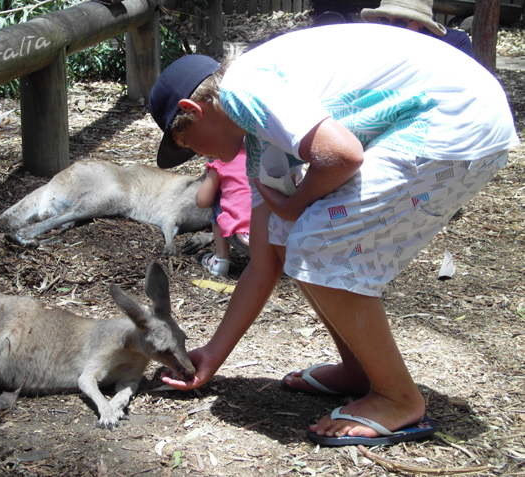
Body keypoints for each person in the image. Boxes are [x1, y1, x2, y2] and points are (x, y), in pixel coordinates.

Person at [148, 23, 518, 446]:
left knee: (317, 240)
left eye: (186, 142)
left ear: (193, 110)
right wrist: (211, 356)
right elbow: (267, 260)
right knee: (295, 237)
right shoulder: (257, 140)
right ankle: (359, 367)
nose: (197, 155)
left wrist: (295, 202)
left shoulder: (240, 89)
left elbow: (342, 155)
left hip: (455, 118)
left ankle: (397, 397)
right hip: (449, 115)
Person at [196, 147, 251, 277]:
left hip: (241, 239)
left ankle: (221, 259)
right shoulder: (267, 156)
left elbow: (202, 201)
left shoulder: (224, 157)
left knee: (216, 196)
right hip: (273, 237)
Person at [361, 0, 473, 56]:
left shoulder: (454, 42)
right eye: (384, 21)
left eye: (399, 23)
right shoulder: (373, 41)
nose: (390, 28)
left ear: (422, 23)